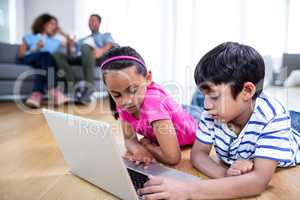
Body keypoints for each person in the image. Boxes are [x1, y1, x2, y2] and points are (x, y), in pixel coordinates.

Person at [139, 42, 300, 199]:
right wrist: (227, 177)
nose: (207, 105)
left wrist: (186, 190)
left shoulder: (273, 118)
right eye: (204, 95)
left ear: (247, 91)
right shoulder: (213, 112)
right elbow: (198, 155)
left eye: (214, 96)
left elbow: (258, 182)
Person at [98, 46, 203, 166]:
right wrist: (139, 150)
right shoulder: (125, 104)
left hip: (196, 119)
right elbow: (128, 140)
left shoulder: (153, 104)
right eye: (116, 95)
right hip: (176, 112)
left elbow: (173, 158)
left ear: (148, 78)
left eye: (133, 90)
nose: (126, 101)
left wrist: (147, 146)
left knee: (209, 102)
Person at [53, 14, 115, 105]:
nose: (91, 22)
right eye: (90, 21)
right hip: (82, 57)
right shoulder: (83, 39)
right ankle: (74, 89)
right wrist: (69, 46)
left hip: (98, 57)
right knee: (57, 54)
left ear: (99, 23)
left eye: (94, 20)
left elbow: (109, 44)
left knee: (85, 46)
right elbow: (73, 52)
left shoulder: (105, 35)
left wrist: (100, 51)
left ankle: (88, 89)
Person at [18, 13, 69, 108]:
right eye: (51, 23)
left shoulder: (56, 42)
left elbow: (73, 46)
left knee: (46, 59)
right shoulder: (29, 37)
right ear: (43, 24)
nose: (54, 27)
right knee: (46, 55)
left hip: (46, 62)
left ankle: (37, 94)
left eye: (55, 25)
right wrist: (36, 48)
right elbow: (21, 55)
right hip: (31, 57)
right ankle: (53, 89)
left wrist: (62, 32)